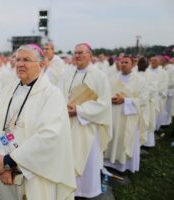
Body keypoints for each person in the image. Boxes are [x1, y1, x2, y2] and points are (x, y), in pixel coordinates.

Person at [0, 44, 76, 200]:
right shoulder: (9, 90)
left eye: (26, 60)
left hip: (33, 175)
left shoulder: (51, 95)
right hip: (2, 169)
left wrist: (8, 161)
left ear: (40, 65)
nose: (20, 64)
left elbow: (49, 136)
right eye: (17, 60)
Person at [58, 43, 112, 198]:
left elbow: (103, 103)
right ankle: (69, 189)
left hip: (87, 125)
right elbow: (58, 93)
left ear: (90, 55)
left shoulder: (99, 76)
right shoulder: (67, 73)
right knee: (69, 156)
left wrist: (79, 110)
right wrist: (63, 106)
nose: (77, 56)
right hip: (68, 122)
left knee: (87, 160)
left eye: (81, 52)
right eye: (75, 53)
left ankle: (87, 191)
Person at [104, 56, 148, 173]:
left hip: (129, 116)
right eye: (121, 62)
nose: (123, 64)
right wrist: (111, 99)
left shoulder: (140, 81)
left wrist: (126, 100)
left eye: (126, 62)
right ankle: (108, 163)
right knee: (113, 137)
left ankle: (123, 166)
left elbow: (143, 100)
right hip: (113, 114)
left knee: (125, 139)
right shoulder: (112, 78)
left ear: (133, 64)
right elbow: (105, 94)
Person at [143, 56, 168, 147]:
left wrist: (154, 91)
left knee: (153, 119)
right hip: (145, 98)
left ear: (160, 62)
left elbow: (163, 85)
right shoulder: (147, 71)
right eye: (151, 60)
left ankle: (152, 137)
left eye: (155, 60)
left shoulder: (163, 73)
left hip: (156, 98)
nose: (152, 62)